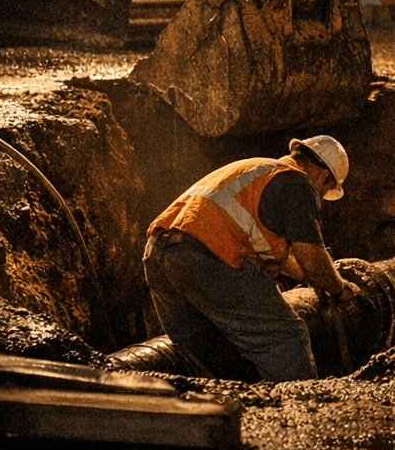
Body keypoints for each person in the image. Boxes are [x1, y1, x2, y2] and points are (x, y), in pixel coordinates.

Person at [143, 136, 360, 382]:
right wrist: (339, 288)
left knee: (207, 355)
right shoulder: (298, 182)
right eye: (324, 191)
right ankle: (298, 412)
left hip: (159, 255)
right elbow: (311, 259)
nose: (320, 196)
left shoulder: (256, 170)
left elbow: (285, 258)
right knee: (285, 338)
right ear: (323, 178)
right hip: (208, 259)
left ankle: (224, 415)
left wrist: (312, 277)